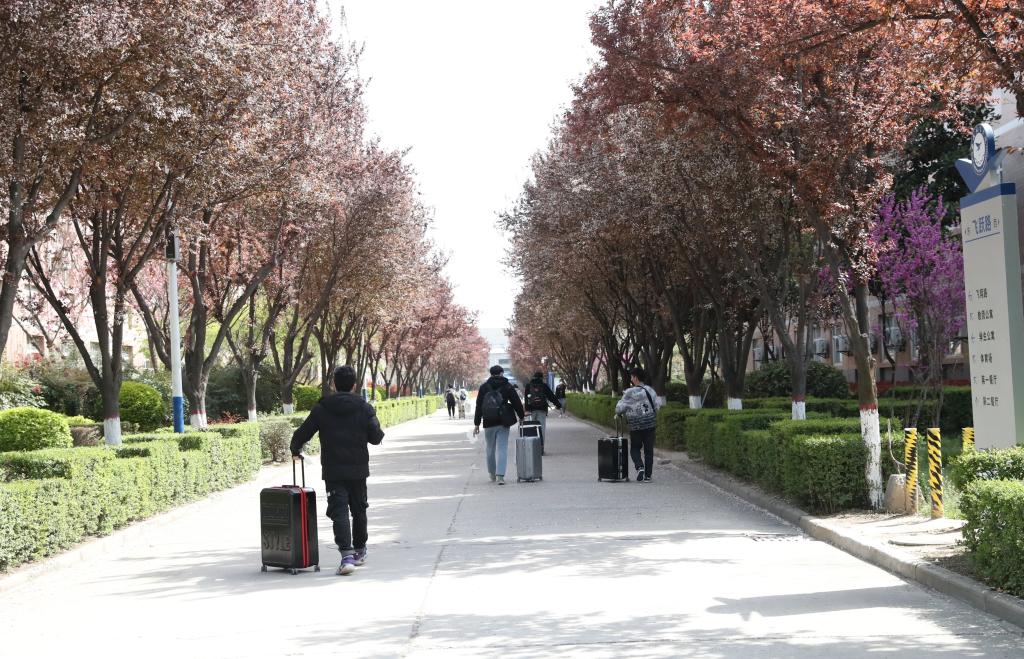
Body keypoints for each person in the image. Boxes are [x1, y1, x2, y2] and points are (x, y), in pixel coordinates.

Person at [291, 365, 385, 575]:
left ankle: (347, 556)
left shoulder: (322, 408)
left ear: (334, 384)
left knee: (339, 511)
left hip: (333, 471)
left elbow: (303, 433)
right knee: (359, 509)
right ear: (354, 385)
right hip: (358, 470)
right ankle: (360, 550)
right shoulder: (364, 407)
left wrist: (295, 449)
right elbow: (376, 437)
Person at [473, 365, 526, 485]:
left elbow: (479, 406)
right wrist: (521, 416)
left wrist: (477, 424)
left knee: (490, 448)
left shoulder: (484, 387)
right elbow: (516, 402)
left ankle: (492, 473)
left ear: (491, 374)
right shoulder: (507, 386)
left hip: (488, 421)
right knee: (502, 448)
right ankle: (500, 476)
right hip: (503, 421)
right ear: (502, 373)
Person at [614, 367, 663, 482]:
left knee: (635, 448)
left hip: (635, 426)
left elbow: (619, 408)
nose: (631, 379)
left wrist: (621, 411)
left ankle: (640, 467)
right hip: (649, 425)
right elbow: (658, 405)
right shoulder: (650, 391)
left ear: (635, 378)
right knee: (648, 450)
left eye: (632, 377)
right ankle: (647, 476)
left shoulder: (629, 393)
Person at [523, 371, 561, 442]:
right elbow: (551, 396)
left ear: (533, 377)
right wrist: (558, 405)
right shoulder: (544, 385)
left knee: (532, 428)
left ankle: (532, 445)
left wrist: (526, 409)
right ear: (541, 378)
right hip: (542, 409)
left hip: (531, 410)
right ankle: (541, 444)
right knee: (541, 427)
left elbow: (526, 398)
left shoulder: (528, 385)